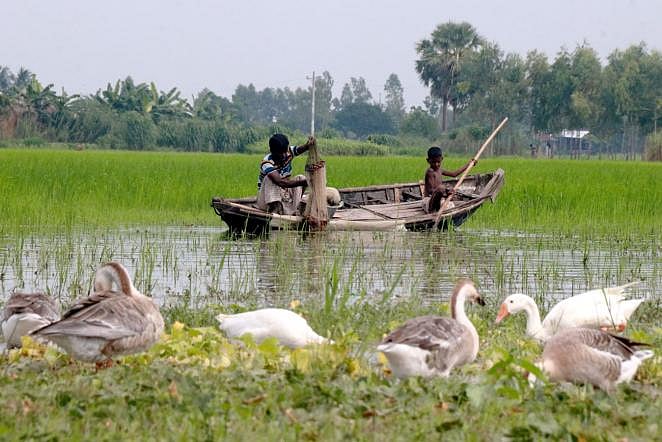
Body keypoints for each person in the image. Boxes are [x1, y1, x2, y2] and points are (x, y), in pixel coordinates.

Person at [256, 133, 316, 215]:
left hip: (284, 194)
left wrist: (307, 145)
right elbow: (280, 182)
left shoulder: (288, 152)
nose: (284, 155)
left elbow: (299, 149)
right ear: (272, 151)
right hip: (266, 200)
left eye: (285, 152)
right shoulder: (267, 162)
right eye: (280, 153)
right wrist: (306, 182)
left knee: (300, 178)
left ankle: (295, 208)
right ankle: (275, 209)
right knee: (269, 179)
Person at [421, 146, 476, 213]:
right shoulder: (430, 171)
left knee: (457, 203)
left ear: (442, 159)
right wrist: (446, 193)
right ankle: (432, 211)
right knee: (441, 188)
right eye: (433, 162)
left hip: (439, 200)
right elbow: (431, 191)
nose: (436, 164)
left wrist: (469, 164)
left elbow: (454, 174)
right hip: (429, 201)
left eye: (438, 162)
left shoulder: (440, 170)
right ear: (428, 161)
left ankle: (439, 209)